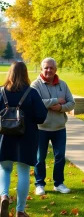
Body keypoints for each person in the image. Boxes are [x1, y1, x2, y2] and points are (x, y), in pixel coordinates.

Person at [0, 62, 47, 217]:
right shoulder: (32, 93)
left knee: (5, 169)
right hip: (26, 137)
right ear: (25, 73)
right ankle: (20, 210)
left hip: (4, 136)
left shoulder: (1, 92)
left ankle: (4, 195)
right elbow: (41, 117)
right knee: (24, 171)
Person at [32, 57, 75, 196]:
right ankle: (39, 184)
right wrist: (55, 101)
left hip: (59, 128)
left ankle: (59, 183)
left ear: (56, 69)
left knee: (60, 157)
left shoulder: (63, 85)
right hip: (41, 128)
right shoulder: (35, 85)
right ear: (41, 69)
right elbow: (35, 103)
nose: (49, 70)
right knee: (40, 158)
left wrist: (61, 108)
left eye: (51, 68)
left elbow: (71, 103)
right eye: (46, 67)